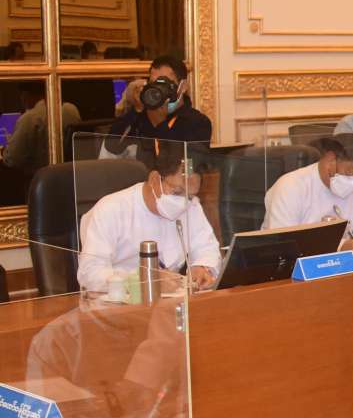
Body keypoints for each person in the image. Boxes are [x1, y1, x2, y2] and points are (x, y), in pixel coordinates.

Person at [77, 143, 221, 293]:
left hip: (171, 299)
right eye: (177, 191)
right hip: (120, 299)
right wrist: (142, 281)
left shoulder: (191, 206)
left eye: (190, 195)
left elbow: (207, 248)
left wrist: (202, 267)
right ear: (154, 179)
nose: (183, 201)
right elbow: (90, 273)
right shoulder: (111, 209)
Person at [263, 135, 353, 258]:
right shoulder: (291, 186)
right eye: (351, 172)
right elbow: (285, 243)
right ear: (330, 160)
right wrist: (340, 247)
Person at [108, 54, 212, 145]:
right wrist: (137, 109)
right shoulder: (142, 115)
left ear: (183, 87)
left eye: (164, 83)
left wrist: (160, 124)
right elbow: (111, 147)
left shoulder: (198, 123)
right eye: (154, 83)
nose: (158, 89)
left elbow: (180, 159)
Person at [3, 82, 80, 174]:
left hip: (40, 178)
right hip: (71, 174)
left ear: (25, 95)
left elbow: (12, 160)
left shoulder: (29, 118)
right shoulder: (72, 109)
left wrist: (4, 151)